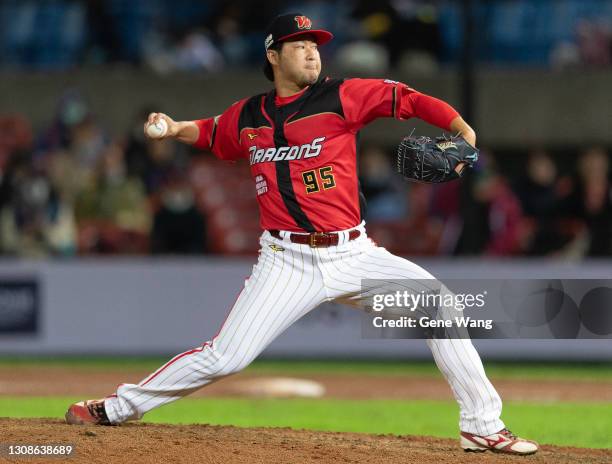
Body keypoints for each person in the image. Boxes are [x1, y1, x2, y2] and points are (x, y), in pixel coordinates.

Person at [65, 13, 538, 455]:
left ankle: (481, 425)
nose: (312, 52)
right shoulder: (250, 116)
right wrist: (172, 128)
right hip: (285, 261)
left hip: (353, 253)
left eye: (315, 44)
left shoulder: (340, 97)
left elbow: (409, 99)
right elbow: (211, 132)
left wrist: (463, 131)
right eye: (300, 45)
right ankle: (118, 407)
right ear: (273, 56)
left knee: (440, 305)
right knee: (226, 357)